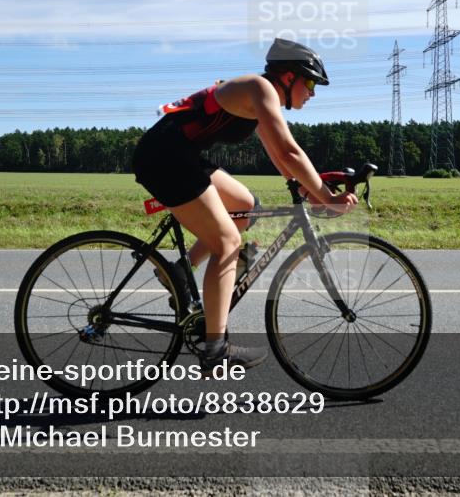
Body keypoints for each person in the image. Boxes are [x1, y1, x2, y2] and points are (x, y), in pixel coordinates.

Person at [132, 38, 358, 372]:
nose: (312, 92)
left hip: (181, 154)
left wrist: (311, 191)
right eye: (310, 83)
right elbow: (290, 151)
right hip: (165, 157)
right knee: (227, 243)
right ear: (288, 76)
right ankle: (215, 349)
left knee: (247, 207)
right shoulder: (260, 88)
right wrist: (326, 196)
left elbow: (280, 157)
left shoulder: (261, 96)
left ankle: (180, 270)